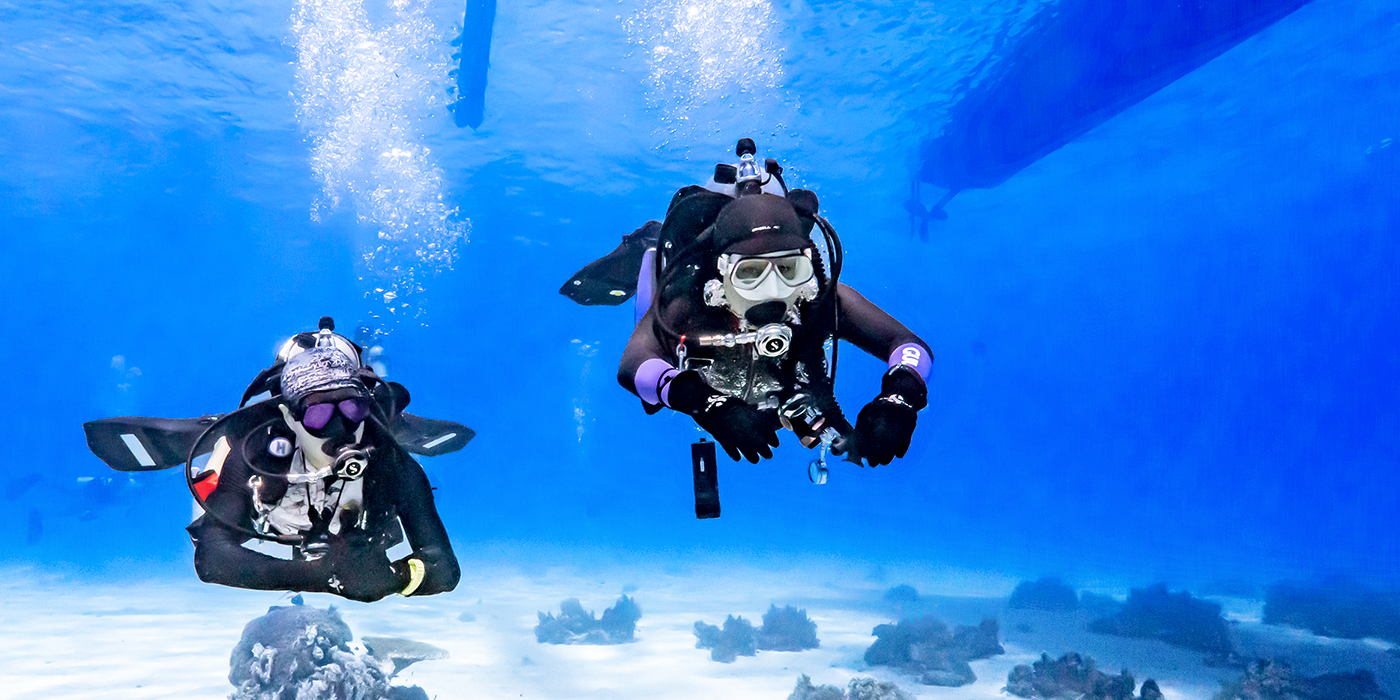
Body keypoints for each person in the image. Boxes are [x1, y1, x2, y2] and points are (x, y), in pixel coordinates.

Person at [563, 139, 931, 471]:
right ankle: (650, 243)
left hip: (771, 391)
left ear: (807, 264)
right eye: (750, 273)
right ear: (722, 277)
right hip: (710, 374)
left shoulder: (819, 298)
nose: (773, 289)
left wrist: (899, 398)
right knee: (650, 301)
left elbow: (908, 345)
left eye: (789, 269)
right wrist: (703, 402)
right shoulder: (691, 302)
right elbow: (633, 366)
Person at [82, 319, 467, 602]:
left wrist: (397, 578)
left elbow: (445, 569)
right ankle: (215, 433)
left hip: (351, 526)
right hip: (279, 515)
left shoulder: (388, 459)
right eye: (319, 414)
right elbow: (212, 558)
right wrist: (323, 577)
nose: (341, 429)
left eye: (352, 409)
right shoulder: (261, 453)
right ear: (288, 417)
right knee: (221, 458)